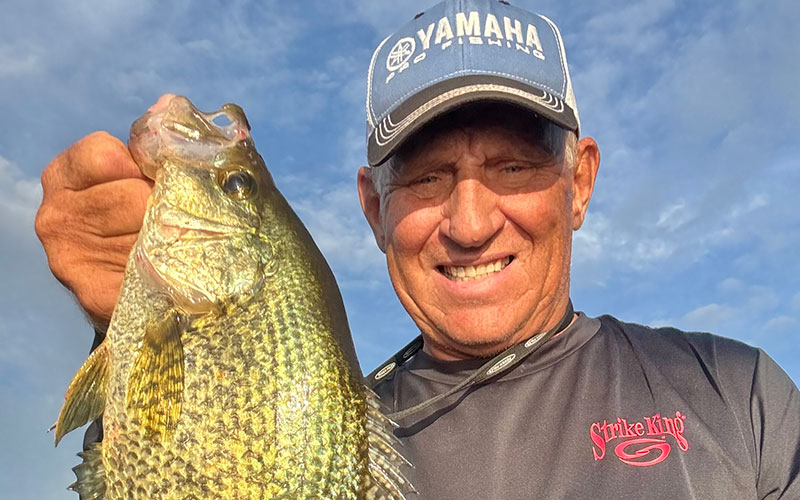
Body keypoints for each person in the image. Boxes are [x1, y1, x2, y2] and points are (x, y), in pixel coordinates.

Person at [35, 0, 799, 498]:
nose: (470, 222)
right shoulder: (330, 434)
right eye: (428, 177)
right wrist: (121, 328)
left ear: (580, 182)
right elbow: (172, 462)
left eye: (513, 165)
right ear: (373, 206)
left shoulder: (740, 400)